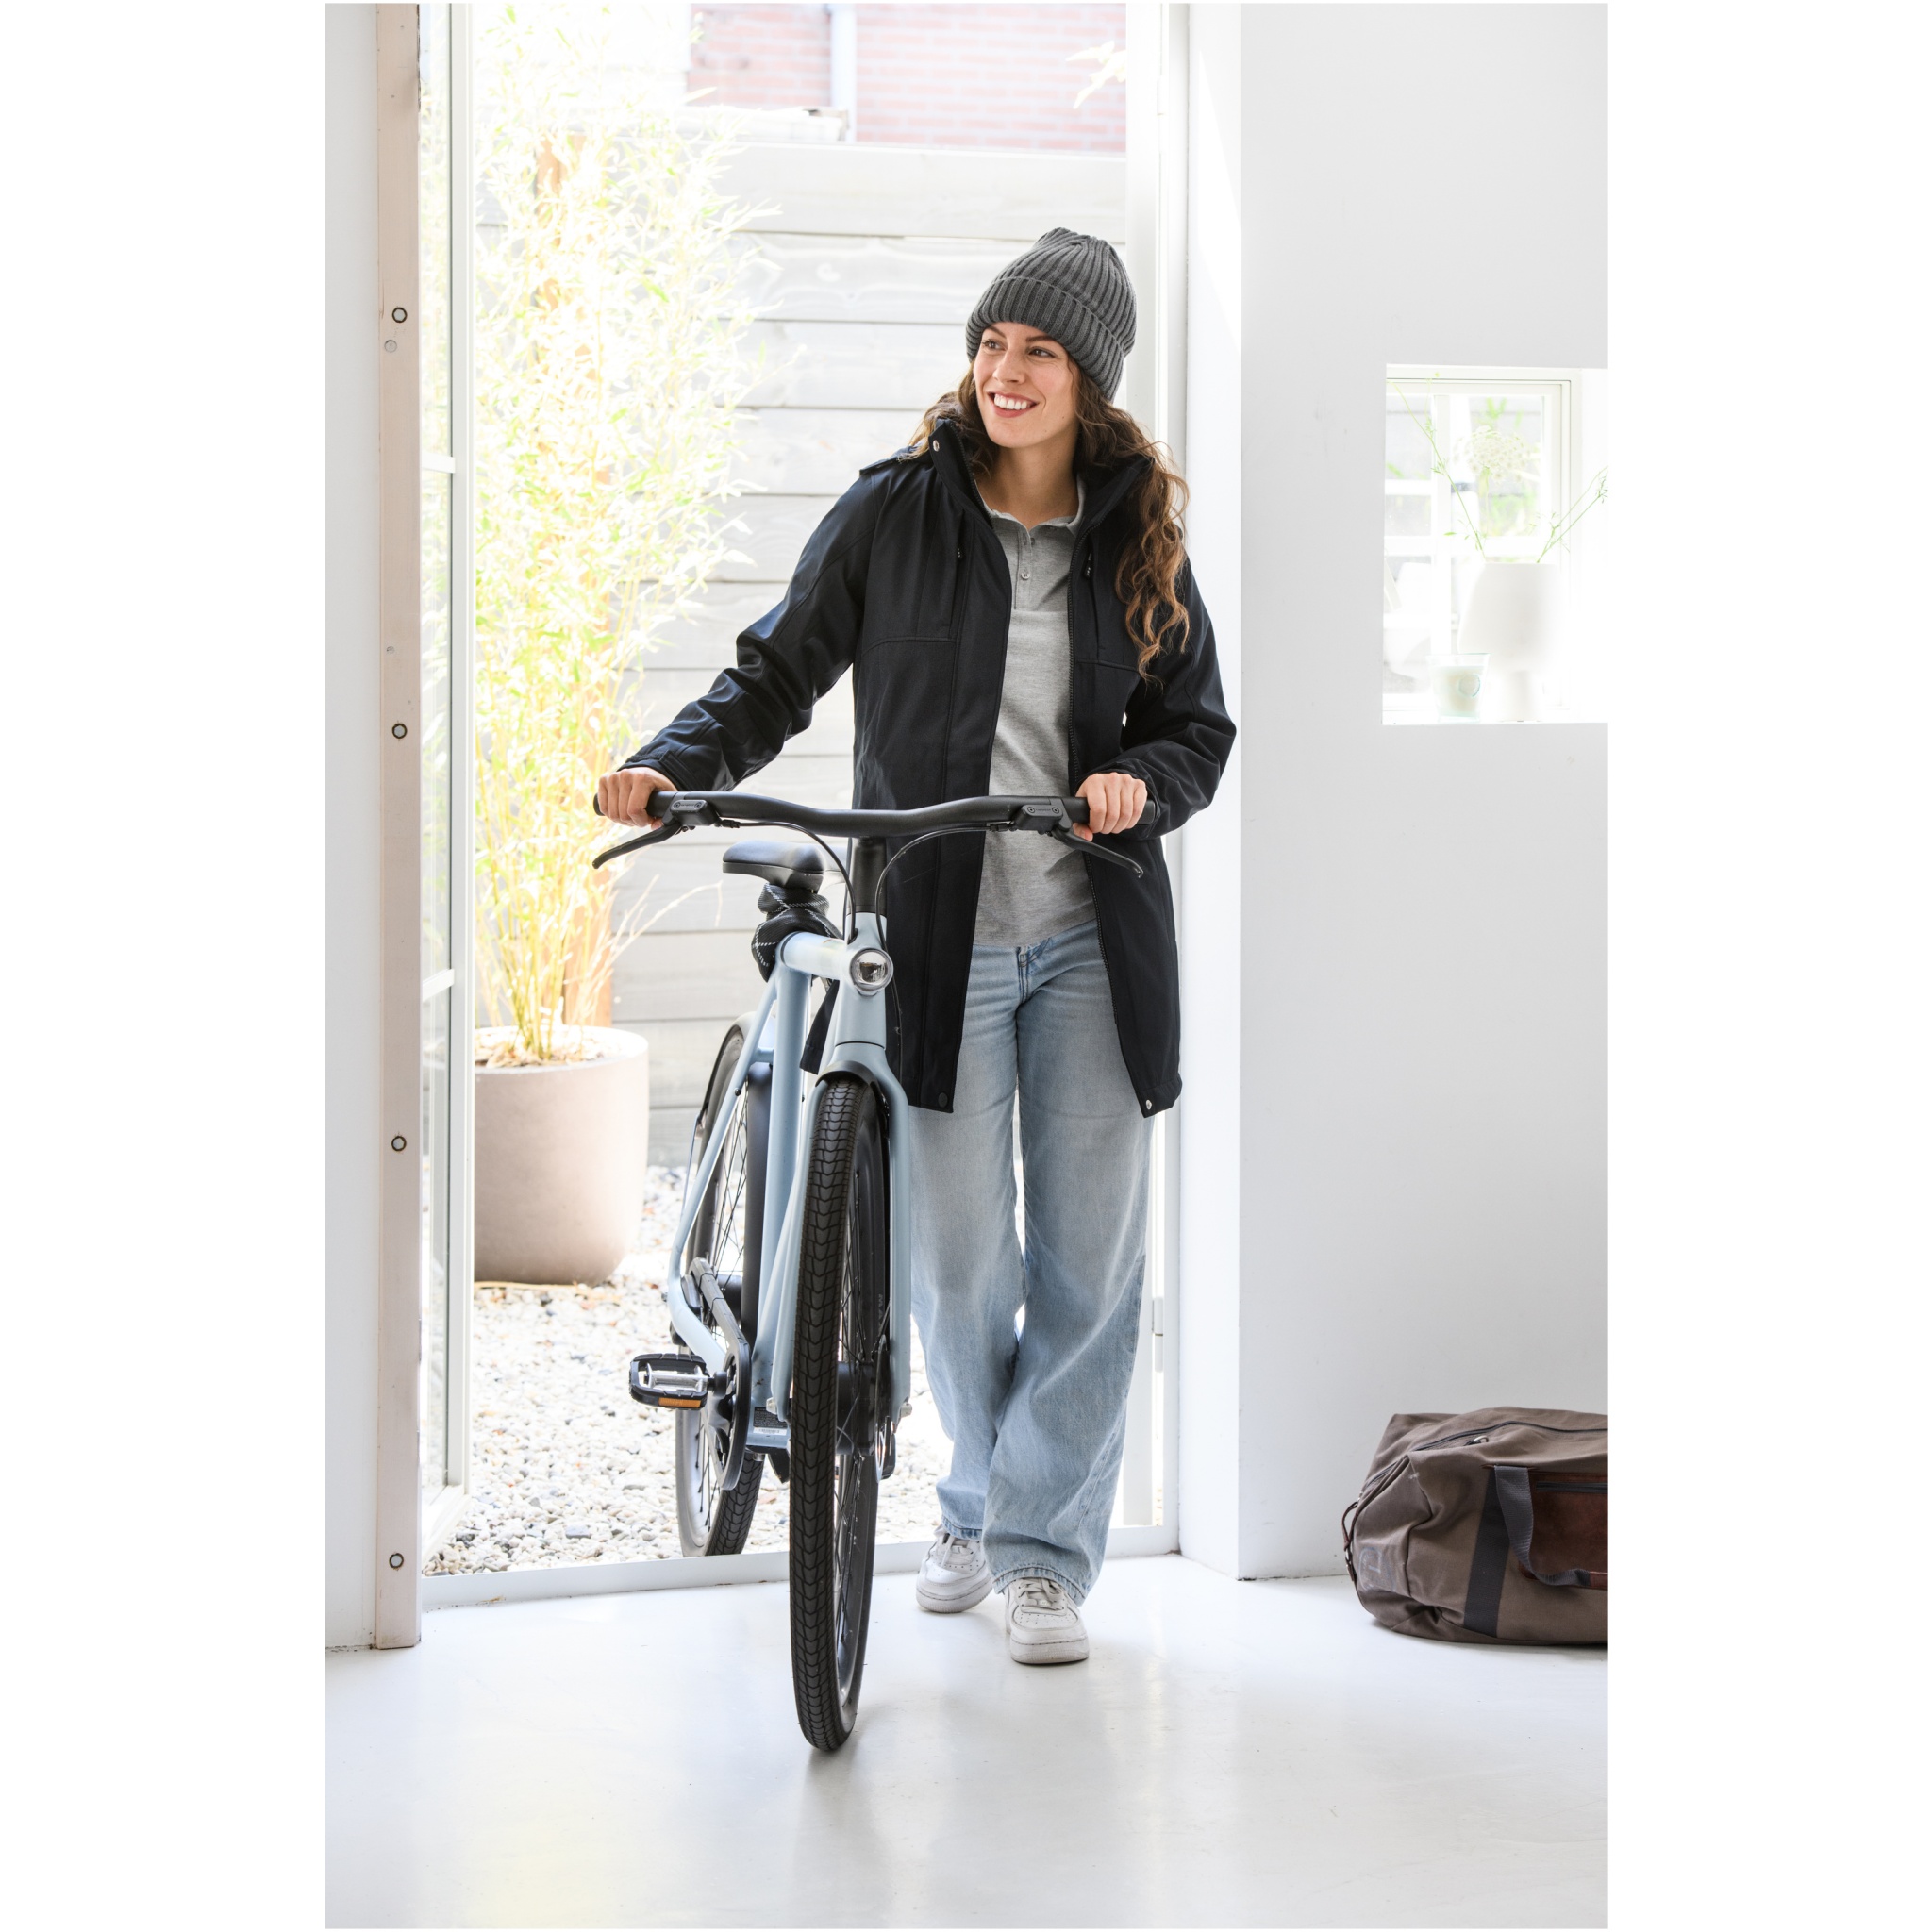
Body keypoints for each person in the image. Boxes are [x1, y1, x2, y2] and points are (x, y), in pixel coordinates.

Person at [597, 229, 1234, 1665]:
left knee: (1090, 1267)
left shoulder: (1139, 535)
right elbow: (775, 670)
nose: (1006, 373)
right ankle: (978, 1501)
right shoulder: (894, 512)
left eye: (1040, 352)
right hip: (936, 937)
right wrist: (669, 763)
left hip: (1091, 937)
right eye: (992, 344)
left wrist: (1140, 785)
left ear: (1089, 380)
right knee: (958, 1268)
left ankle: (1037, 1555)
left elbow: (1197, 729)